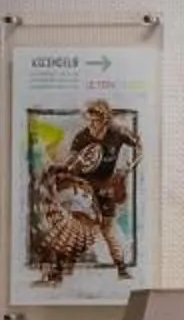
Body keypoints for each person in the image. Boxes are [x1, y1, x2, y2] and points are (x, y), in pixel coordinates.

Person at [36, 99, 139, 279]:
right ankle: (59, 270)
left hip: (107, 190)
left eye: (96, 121)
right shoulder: (82, 137)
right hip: (85, 189)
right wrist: (63, 167)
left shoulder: (118, 133)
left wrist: (130, 167)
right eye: (89, 120)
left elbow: (139, 145)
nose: (92, 124)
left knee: (107, 231)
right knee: (72, 227)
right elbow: (73, 161)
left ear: (105, 120)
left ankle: (121, 268)